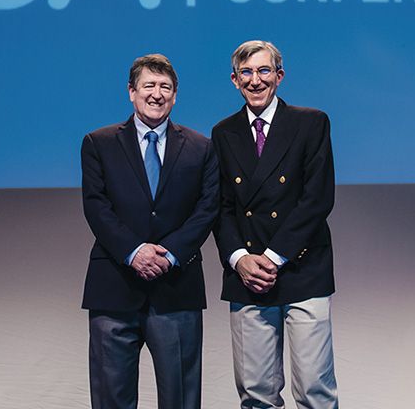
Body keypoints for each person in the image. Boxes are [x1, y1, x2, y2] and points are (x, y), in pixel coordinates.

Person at [80, 53, 218, 409]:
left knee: (181, 400)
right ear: (131, 91)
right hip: (115, 287)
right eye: (149, 86)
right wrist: (134, 251)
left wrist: (169, 254)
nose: (157, 94)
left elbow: (207, 210)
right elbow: (96, 206)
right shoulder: (99, 143)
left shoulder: (201, 147)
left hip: (177, 288)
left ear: (175, 95)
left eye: (165, 87)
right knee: (112, 399)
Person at [211, 40, 339, 408]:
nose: (255, 80)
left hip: (303, 269)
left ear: (279, 76)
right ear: (234, 80)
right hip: (248, 276)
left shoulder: (311, 123)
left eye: (264, 71)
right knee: (256, 396)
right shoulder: (223, 133)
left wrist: (273, 256)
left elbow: (317, 199)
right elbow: (220, 207)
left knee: (315, 391)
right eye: (246, 73)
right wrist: (240, 259)